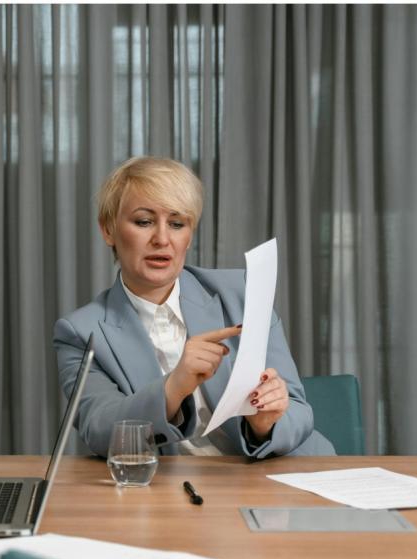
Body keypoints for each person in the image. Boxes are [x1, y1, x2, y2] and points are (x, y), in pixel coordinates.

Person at [53, 156, 334, 458]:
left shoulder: (243, 293)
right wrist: (174, 387)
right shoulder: (80, 332)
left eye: (177, 224)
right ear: (108, 230)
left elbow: (299, 411)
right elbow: (101, 430)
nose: (162, 239)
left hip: (276, 479)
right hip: (170, 494)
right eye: (144, 221)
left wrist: (266, 424)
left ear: (188, 236)